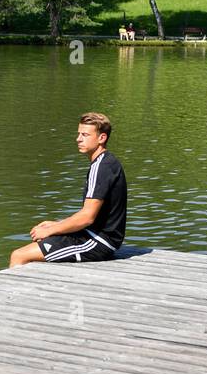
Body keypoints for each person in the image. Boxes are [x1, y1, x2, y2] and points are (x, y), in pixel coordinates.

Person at [9, 112, 128, 267]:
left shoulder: (102, 167)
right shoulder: (105, 162)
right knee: (41, 240)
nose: (78, 139)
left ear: (101, 138)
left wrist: (52, 230)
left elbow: (87, 217)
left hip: (98, 241)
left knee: (20, 256)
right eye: (79, 134)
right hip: (92, 234)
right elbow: (91, 216)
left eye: (85, 135)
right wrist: (54, 225)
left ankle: (16, 292)